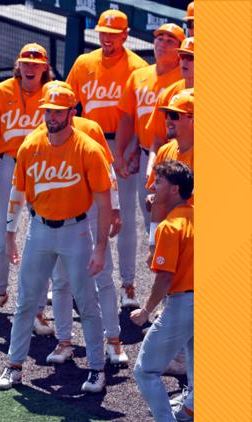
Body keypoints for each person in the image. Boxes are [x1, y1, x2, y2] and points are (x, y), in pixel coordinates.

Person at [0, 87, 110, 393]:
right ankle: (14, 366)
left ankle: (97, 369)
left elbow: (104, 201)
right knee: (26, 301)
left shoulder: (89, 148)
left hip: (77, 231)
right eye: (48, 110)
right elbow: (17, 194)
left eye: (58, 111)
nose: (52, 117)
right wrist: (9, 236)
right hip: (39, 229)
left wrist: (100, 248)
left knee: (86, 302)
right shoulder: (30, 145)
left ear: (72, 113)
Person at [66, 9, 148, 312]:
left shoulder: (137, 67)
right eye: (103, 33)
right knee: (85, 215)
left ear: (125, 35)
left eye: (113, 34)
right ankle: (84, 282)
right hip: (89, 144)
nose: (107, 39)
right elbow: (68, 104)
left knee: (122, 217)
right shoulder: (84, 63)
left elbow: (142, 114)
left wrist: (134, 148)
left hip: (122, 145)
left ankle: (128, 285)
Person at [0, 43, 54, 333]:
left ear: (45, 66)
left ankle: (38, 307)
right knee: (1, 231)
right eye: (25, 63)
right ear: (18, 65)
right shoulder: (1, 91)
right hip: (9, 164)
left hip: (46, 166)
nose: (30, 68)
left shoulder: (54, 93)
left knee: (45, 235)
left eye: (36, 63)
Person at [113, 23, 184, 308]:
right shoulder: (139, 75)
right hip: (145, 155)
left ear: (180, 50)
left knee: (164, 226)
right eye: (159, 38)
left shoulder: (185, 79)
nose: (162, 44)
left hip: (177, 159)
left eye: (170, 40)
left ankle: (172, 293)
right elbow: (129, 118)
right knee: (129, 221)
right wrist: (123, 152)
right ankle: (128, 286)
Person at [131, 160, 194, 422]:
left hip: (184, 304)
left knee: (145, 372)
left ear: (174, 190)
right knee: (197, 367)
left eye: (159, 183)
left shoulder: (170, 228)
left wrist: (146, 311)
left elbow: (164, 278)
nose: (153, 187)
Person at [145, 37, 194, 180]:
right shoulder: (169, 93)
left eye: (190, 57)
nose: (184, 61)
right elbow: (158, 139)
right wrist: (152, 167)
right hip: (173, 163)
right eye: (182, 56)